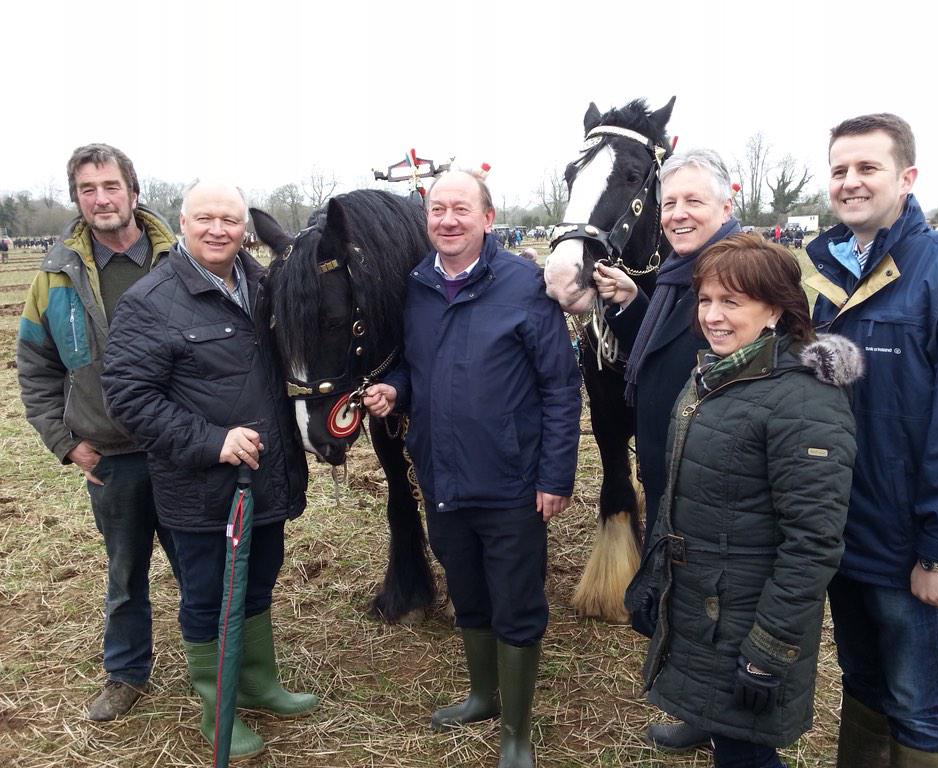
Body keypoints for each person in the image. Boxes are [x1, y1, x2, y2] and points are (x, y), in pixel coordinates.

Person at [806, 113, 938, 767]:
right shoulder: (832, 278)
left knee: (917, 699)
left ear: (907, 177)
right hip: (845, 534)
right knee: (861, 678)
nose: (850, 181)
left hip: (910, 549)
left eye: (867, 167)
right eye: (839, 169)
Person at [363, 170, 581, 768]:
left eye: (461, 209)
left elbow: (561, 387)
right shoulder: (416, 287)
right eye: (438, 210)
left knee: (517, 602)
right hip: (442, 477)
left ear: (488, 219)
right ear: (426, 219)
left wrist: (555, 477)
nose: (448, 220)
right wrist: (395, 390)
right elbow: (414, 367)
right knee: (466, 589)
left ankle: (516, 732)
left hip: (513, 481)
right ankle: (483, 696)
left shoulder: (525, 286)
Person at [101, 180, 314, 759]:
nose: (218, 230)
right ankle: (217, 710)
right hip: (200, 487)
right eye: (205, 218)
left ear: (245, 228)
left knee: (260, 578)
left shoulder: (265, 285)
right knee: (207, 595)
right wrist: (212, 441)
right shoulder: (151, 301)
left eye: (230, 220)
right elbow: (129, 398)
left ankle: (259, 683)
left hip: (266, 476)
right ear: (182, 223)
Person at [640, 233, 859, 768]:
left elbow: (813, 542)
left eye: (731, 302)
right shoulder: (717, 372)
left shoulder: (804, 401)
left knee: (747, 752)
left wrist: (769, 651)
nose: (712, 316)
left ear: (775, 310)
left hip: (748, 612)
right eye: (705, 299)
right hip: (706, 598)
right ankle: (707, 723)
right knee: (723, 719)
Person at [16, 143, 180, 722]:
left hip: (180, 448)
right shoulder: (54, 278)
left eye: (111, 186)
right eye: (88, 189)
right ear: (77, 199)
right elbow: (35, 367)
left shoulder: (177, 261)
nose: (101, 198)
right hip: (111, 456)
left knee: (199, 566)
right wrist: (66, 443)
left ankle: (216, 665)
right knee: (126, 572)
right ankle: (126, 672)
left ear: (133, 191)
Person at [592, 148, 740, 752]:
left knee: (716, 610)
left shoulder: (738, 276)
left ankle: (734, 737)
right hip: (671, 475)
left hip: (714, 486)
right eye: (670, 202)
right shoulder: (681, 276)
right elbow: (668, 354)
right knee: (688, 605)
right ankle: (703, 713)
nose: (677, 213)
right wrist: (634, 304)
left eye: (693, 201)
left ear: (727, 204)